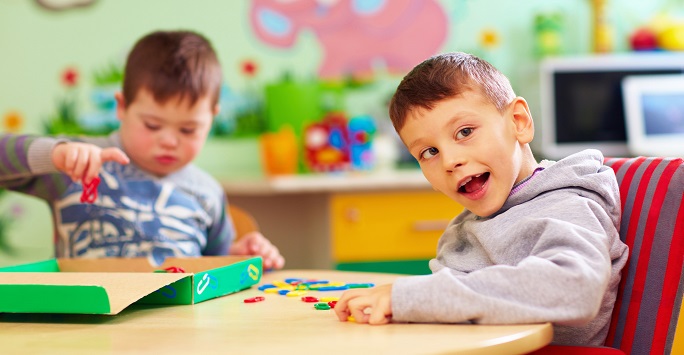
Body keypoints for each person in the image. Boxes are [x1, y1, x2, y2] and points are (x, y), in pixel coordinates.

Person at [333, 52, 628, 346]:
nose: (449, 161)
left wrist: (410, 297)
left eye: (464, 132)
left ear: (518, 121)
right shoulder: (465, 228)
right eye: (429, 152)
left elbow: (574, 287)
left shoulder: (564, 204)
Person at [0, 30, 284, 269]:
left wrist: (239, 257)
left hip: (176, 330)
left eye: (188, 130)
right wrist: (54, 155)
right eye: (152, 125)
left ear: (212, 117)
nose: (169, 141)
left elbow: (214, 269)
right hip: (82, 327)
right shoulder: (73, 164)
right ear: (122, 106)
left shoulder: (207, 192)